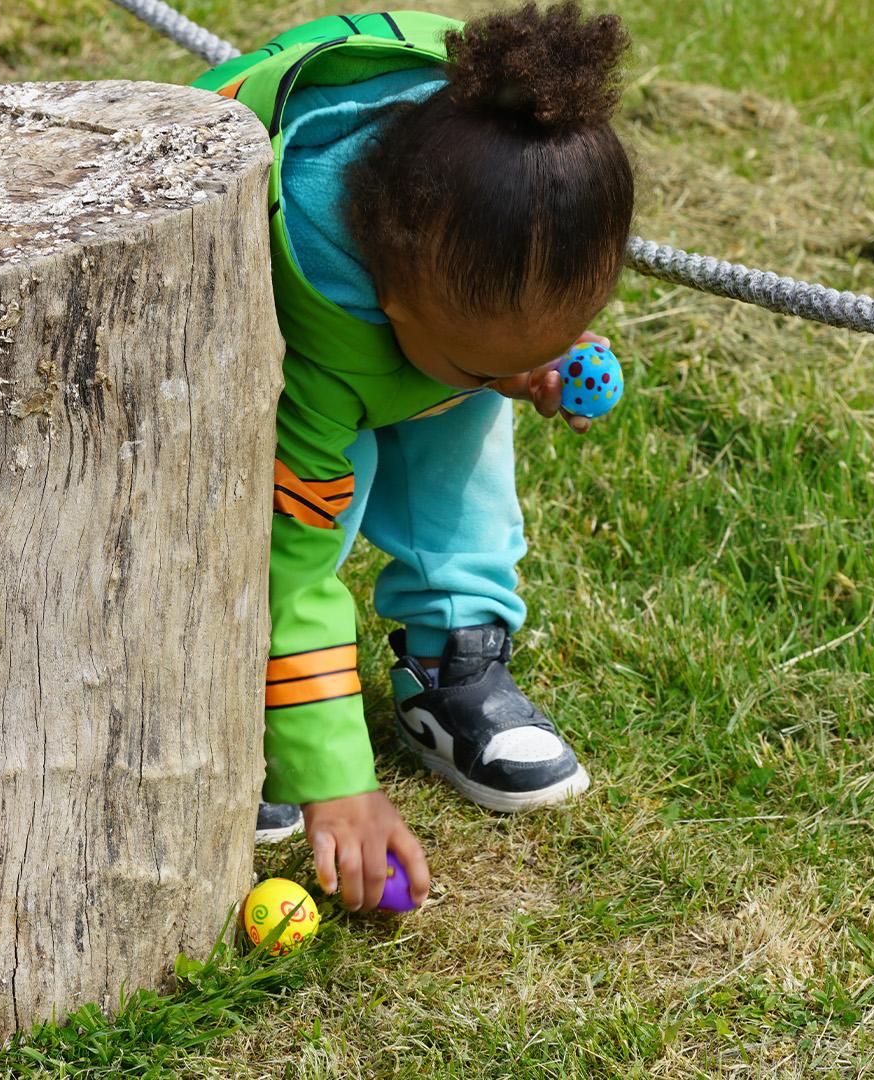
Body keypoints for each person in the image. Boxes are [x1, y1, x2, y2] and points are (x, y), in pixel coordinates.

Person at [192, 2, 634, 911]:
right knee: (295, 511)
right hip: (269, 342)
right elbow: (293, 565)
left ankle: (452, 659)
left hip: (428, 323)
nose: (526, 379)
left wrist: (524, 358)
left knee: (460, 423)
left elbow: (507, 315)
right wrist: (337, 776)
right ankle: (251, 702)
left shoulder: (505, 151)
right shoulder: (313, 318)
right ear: (392, 293)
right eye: (499, 360)